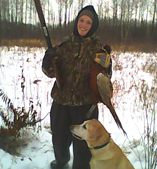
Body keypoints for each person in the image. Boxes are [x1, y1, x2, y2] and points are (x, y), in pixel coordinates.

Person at [42, 5, 112, 169]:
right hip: (61, 102)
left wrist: (107, 68)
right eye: (81, 20)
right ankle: (61, 161)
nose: (83, 25)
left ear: (93, 26)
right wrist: (47, 60)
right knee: (59, 140)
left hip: (85, 106)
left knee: (83, 148)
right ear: (76, 22)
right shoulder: (65, 45)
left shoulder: (98, 51)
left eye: (88, 22)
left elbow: (105, 80)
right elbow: (50, 72)